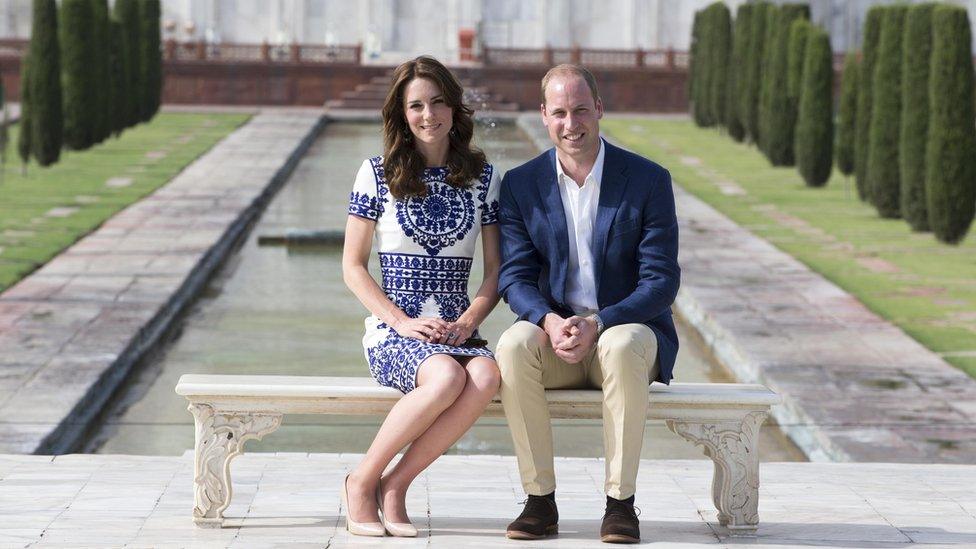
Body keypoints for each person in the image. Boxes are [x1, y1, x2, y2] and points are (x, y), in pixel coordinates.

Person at [495, 64, 680, 544]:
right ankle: (539, 501)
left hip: (626, 335)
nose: (570, 123)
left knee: (620, 344)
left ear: (598, 108)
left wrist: (599, 322)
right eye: (559, 112)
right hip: (557, 339)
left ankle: (620, 505)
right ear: (543, 116)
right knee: (513, 344)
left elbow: (661, 282)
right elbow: (513, 277)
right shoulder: (520, 185)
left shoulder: (647, 180)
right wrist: (550, 321)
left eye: (580, 109)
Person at [342, 55, 502, 537]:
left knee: (487, 374)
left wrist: (471, 320)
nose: (428, 115)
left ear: (455, 109)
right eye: (416, 106)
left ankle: (395, 487)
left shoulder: (484, 179)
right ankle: (361, 481)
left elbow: (496, 271)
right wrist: (401, 322)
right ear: (401, 113)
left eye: (437, 103)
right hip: (395, 332)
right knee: (446, 376)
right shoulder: (376, 173)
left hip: (457, 329)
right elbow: (353, 267)